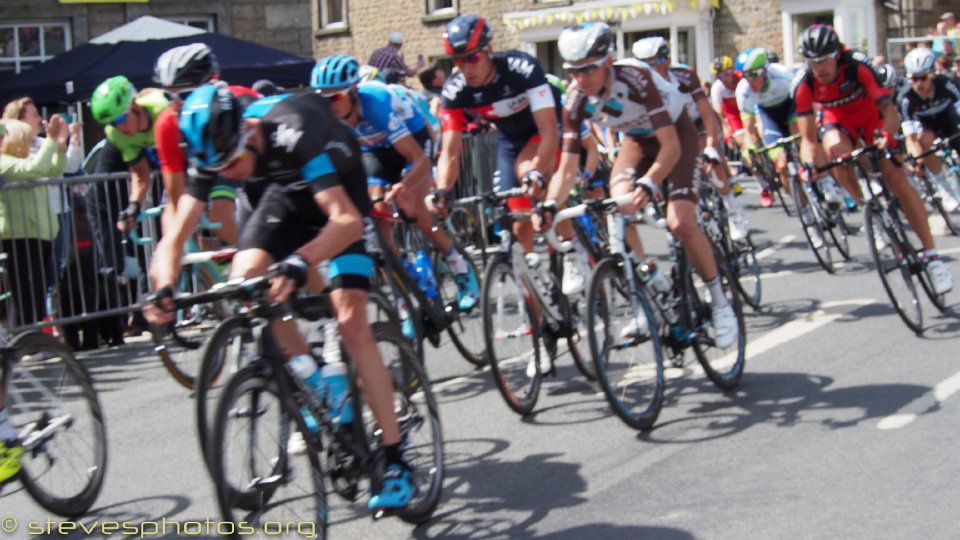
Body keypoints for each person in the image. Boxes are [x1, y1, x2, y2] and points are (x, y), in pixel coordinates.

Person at [144, 84, 415, 512]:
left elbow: (343, 220)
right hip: (283, 196)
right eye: (220, 168)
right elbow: (173, 236)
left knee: (351, 324)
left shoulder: (292, 133)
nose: (228, 173)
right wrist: (161, 287)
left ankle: (397, 459)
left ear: (248, 134)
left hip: (339, 193)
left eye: (233, 162)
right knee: (245, 278)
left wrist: (298, 261)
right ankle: (316, 374)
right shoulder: (212, 155)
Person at [546, 22, 740, 348]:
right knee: (617, 206)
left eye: (589, 69)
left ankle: (720, 302)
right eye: (573, 71)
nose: (581, 79)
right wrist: (551, 205)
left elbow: (671, 146)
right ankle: (648, 291)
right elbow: (566, 167)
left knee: (681, 222)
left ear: (607, 61)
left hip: (677, 137)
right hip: (635, 142)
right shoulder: (575, 100)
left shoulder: (636, 78)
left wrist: (651, 182)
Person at [429, 15, 589, 296]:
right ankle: (541, 315)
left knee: (529, 175)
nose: (466, 67)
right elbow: (451, 152)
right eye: (457, 61)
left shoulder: (521, 68)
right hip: (510, 141)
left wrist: (538, 169)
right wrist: (442, 189)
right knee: (517, 220)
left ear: (488, 50)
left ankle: (573, 247)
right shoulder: (456, 90)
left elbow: (549, 130)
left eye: (472, 57)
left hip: (544, 131)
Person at [311, 55, 478, 320]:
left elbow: (419, 160)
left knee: (412, 206)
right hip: (375, 151)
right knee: (377, 215)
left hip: (414, 143)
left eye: (334, 98)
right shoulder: (329, 118)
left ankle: (458, 265)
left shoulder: (376, 103)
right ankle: (403, 298)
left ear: (354, 91)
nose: (328, 106)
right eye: (323, 99)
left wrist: (403, 185)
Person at [792, 24, 953, 294]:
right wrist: (808, 166)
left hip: (873, 119)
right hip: (839, 123)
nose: (819, 68)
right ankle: (868, 206)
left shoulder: (857, 66)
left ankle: (932, 256)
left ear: (837, 55)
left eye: (824, 60)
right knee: (835, 153)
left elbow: (889, 110)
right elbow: (808, 140)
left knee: (897, 179)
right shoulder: (804, 84)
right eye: (813, 62)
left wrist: (887, 136)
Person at [633, 36, 749, 242]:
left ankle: (733, 207)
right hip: (670, 130)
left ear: (666, 61)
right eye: (644, 66)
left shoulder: (685, 76)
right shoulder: (639, 88)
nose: (650, 71)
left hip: (696, 123)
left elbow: (706, 113)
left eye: (655, 64)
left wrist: (712, 146)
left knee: (711, 159)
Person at [152, 42, 252, 246]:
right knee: (194, 237)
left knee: (219, 219)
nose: (176, 104)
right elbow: (175, 200)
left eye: (185, 95)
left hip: (242, 162)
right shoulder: (167, 124)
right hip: (205, 169)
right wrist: (172, 249)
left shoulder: (240, 104)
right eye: (167, 96)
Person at [0, 117, 68, 327]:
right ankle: (25, 339)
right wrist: (49, 140)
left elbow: (53, 170)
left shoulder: (22, 161)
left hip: (37, 234)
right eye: (28, 139)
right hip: (19, 236)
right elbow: (36, 170)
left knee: (36, 289)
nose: (32, 143)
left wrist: (60, 146)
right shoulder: (4, 163)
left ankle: (34, 338)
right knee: (25, 292)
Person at [89, 75, 170, 233]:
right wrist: (133, 207)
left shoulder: (163, 109)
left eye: (121, 119)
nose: (120, 128)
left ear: (135, 105)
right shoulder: (115, 134)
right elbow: (141, 174)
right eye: (113, 123)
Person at [899, 47, 960, 211]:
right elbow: (910, 138)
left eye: (922, 77)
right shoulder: (906, 98)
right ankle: (944, 187)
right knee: (924, 142)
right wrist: (916, 158)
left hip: (948, 117)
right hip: (926, 123)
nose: (918, 83)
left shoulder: (946, 84)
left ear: (932, 74)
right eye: (913, 79)